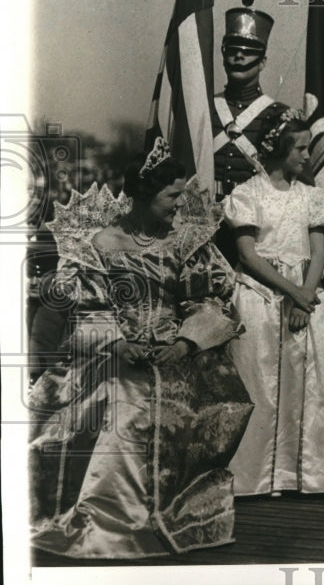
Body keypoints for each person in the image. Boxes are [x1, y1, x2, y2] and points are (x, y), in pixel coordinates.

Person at [29, 141, 253, 558]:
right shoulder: (100, 244)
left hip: (176, 354)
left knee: (186, 402)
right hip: (110, 353)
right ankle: (108, 524)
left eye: (183, 195)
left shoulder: (186, 243)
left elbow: (211, 302)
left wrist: (187, 342)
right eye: (172, 196)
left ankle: (164, 512)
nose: (180, 204)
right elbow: (83, 307)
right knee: (124, 404)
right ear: (144, 194)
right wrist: (117, 341)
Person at [223, 109, 324, 497]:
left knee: (309, 385)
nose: (308, 156)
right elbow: (246, 253)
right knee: (260, 383)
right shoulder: (247, 194)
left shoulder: (313, 197)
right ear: (278, 148)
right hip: (260, 296)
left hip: (306, 299)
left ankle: (301, 476)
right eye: (301, 148)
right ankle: (255, 478)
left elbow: (319, 252)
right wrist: (291, 293)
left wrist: (305, 296)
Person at [211, 0, 289, 203]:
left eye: (249, 51)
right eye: (233, 49)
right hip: (205, 216)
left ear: (262, 62)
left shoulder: (280, 115)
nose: (239, 57)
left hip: (257, 216)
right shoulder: (205, 108)